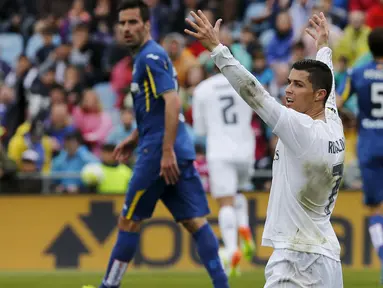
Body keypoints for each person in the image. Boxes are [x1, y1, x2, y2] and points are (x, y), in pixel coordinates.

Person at [185, 10, 344, 287]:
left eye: (298, 85)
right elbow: (327, 84)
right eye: (290, 82)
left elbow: (255, 94)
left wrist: (216, 49)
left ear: (318, 95)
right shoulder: (332, 122)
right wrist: (323, 47)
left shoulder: (300, 129)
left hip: (296, 260)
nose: (288, 90)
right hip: (328, 256)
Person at [93, 1, 229, 288]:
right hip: (175, 149)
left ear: (146, 25)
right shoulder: (151, 56)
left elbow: (172, 102)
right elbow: (156, 109)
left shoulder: (150, 57)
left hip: (159, 153)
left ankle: (108, 286)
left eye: (133, 22)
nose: (127, 29)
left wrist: (164, 150)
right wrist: (133, 137)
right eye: (123, 23)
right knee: (195, 222)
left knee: (128, 221)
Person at [192, 63, 256, 277]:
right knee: (238, 192)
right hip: (246, 148)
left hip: (220, 150)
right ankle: (244, 226)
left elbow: (199, 129)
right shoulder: (246, 82)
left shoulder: (203, 89)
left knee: (225, 201)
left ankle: (231, 248)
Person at [337, 27, 383, 283]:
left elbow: (338, 101)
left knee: (375, 207)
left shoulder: (358, 73)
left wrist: (349, 118)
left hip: (368, 145)